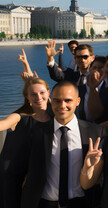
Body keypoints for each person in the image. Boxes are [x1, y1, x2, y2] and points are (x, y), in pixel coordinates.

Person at [11, 81, 106, 208]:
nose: (62, 105)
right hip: (43, 203)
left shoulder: (95, 132)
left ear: (78, 101)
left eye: (68, 100)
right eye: (57, 101)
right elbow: (18, 172)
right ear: (51, 101)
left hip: (83, 203)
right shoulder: (35, 133)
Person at [0, 76, 52, 207]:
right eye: (33, 94)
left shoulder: (58, 119)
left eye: (42, 93)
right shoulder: (21, 118)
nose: (38, 97)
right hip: (22, 177)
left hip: (50, 176)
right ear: (27, 97)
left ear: (48, 93)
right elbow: (3, 124)